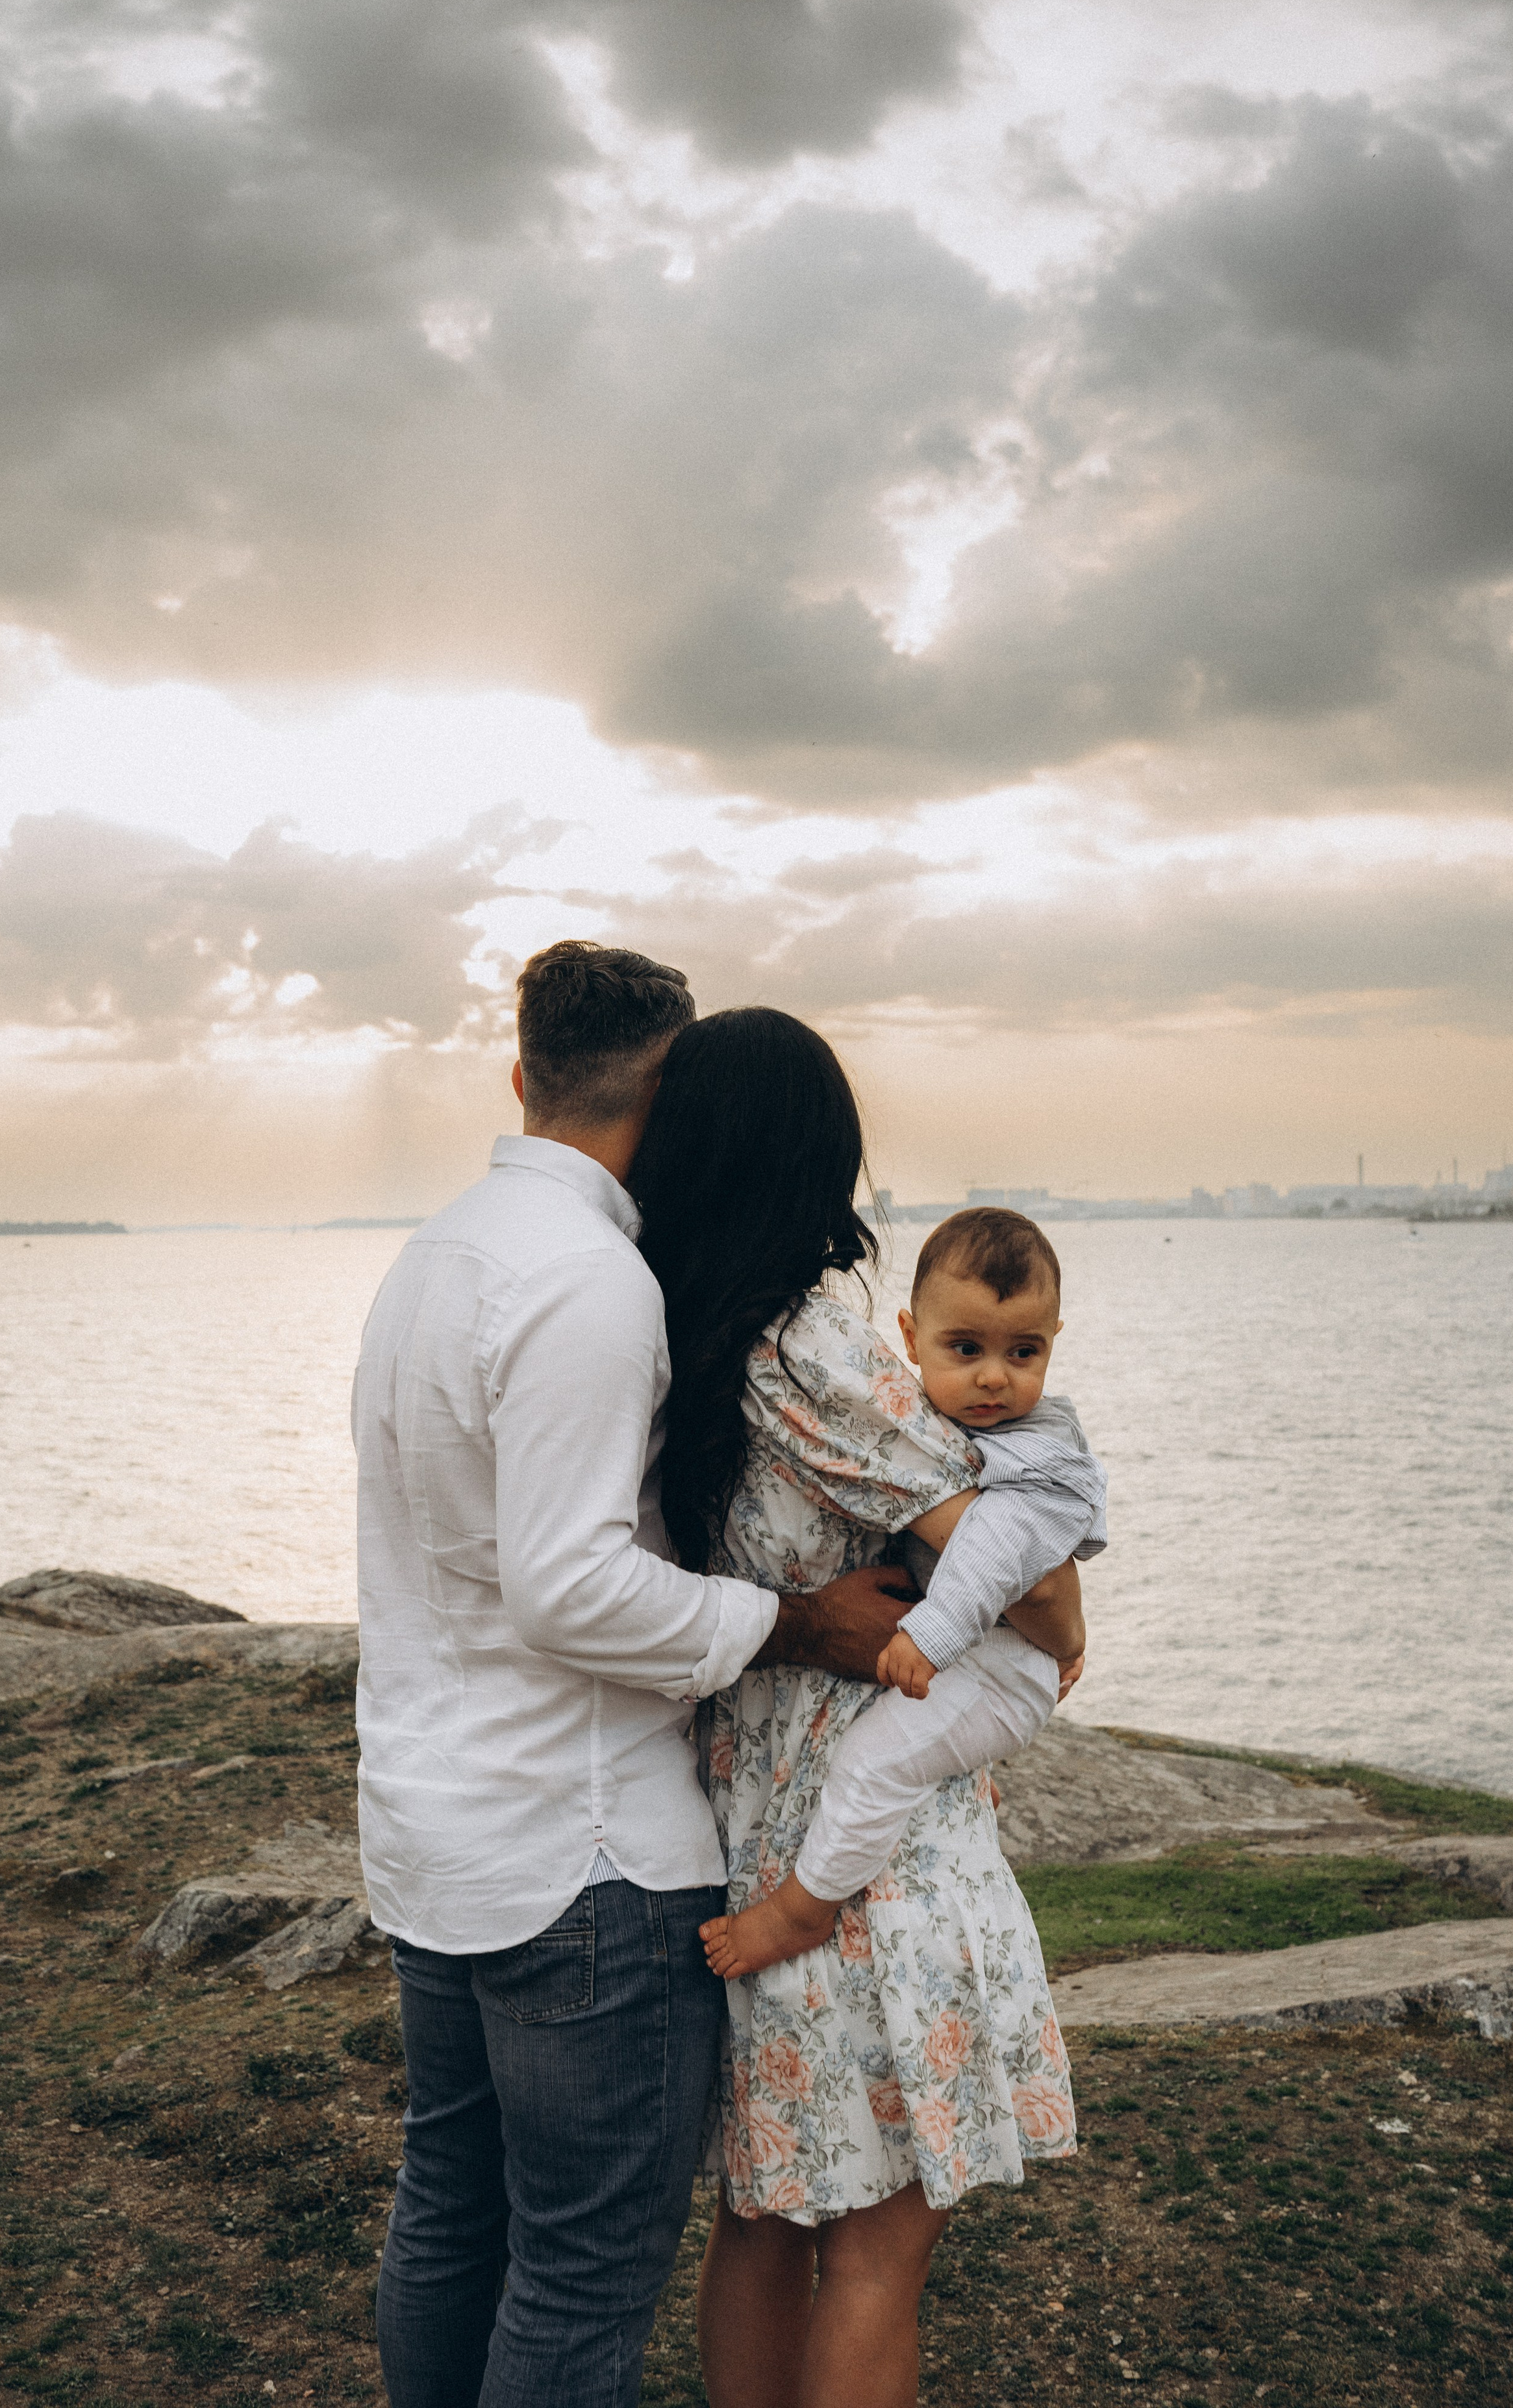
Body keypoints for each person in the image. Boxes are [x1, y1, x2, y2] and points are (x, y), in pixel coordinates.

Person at [355, 944, 915, 2408]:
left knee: (451, 2217)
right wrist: (794, 1622)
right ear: (664, 1090)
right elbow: (567, 1586)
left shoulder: (432, 1258)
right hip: (578, 1859)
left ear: (522, 1073)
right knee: (582, 2274)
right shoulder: (589, 1284)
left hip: (435, 1832)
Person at [629, 1008, 1085, 2408]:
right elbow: (1038, 1595)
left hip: (755, 1816)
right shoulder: (820, 1345)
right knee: (879, 2251)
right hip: (869, 1856)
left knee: (766, 2217)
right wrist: (1062, 1622)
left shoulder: (676, 1330)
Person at [701, 1204, 1106, 1980]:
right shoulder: (946, 1425)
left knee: (872, 1766)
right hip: (982, 1661)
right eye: (965, 1348)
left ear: (1054, 1345)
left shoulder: (1040, 1451)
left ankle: (799, 1912)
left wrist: (928, 1638)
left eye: (1023, 1352)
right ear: (908, 1338)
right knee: (904, 1762)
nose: (994, 1376)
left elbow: (999, 1556)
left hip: (998, 1668)